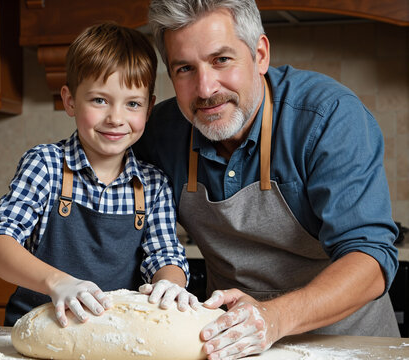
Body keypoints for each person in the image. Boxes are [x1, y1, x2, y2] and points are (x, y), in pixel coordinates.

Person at [133, 0, 400, 358]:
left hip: (348, 346)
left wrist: (272, 318)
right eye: (184, 69)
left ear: (259, 54)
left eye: (221, 60)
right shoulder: (160, 134)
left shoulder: (327, 116)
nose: (206, 89)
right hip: (233, 345)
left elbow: (369, 259)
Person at [0, 23, 198, 328]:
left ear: (149, 110)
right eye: (99, 100)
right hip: (38, 332)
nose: (116, 118)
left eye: (132, 103)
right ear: (69, 100)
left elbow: (166, 256)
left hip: (115, 338)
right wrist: (57, 282)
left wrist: (170, 285)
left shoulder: (153, 184)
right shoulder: (47, 166)